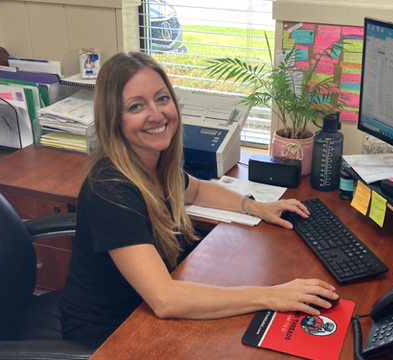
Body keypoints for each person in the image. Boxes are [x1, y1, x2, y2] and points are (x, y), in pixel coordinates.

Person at [59, 52, 339, 344]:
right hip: (109, 333)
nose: (156, 114)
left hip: (143, 311)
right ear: (113, 118)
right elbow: (165, 299)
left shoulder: (155, 163)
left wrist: (256, 207)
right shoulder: (110, 189)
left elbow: (197, 189)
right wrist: (271, 295)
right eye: (136, 106)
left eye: (162, 98)